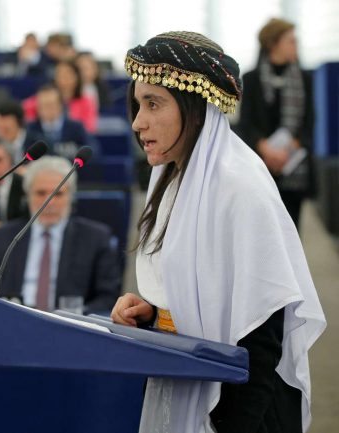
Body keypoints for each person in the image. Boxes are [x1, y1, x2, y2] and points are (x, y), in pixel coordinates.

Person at [110, 31, 325, 433]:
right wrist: (153, 312)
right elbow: (208, 297)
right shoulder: (173, 176)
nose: (138, 122)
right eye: (138, 105)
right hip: (187, 383)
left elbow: (260, 339)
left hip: (241, 411)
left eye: (153, 103)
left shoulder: (240, 188)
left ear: (195, 108)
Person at [0, 156, 120, 314]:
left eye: (58, 194)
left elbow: (108, 297)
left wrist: (77, 315)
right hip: (13, 320)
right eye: (41, 193)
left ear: (71, 197)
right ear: (27, 196)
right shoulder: (3, 238)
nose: (49, 202)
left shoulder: (95, 238)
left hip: (68, 325)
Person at [238, 18, 314, 231]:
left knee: (291, 230)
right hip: (260, 165)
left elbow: (309, 123)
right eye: (291, 41)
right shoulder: (251, 79)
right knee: (261, 231)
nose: (296, 45)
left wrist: (287, 152)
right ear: (273, 44)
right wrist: (266, 150)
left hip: (294, 168)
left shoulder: (305, 78)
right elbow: (245, 123)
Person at [23, 61, 98, 133]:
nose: (63, 77)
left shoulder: (86, 102)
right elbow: (25, 110)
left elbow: (89, 128)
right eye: (59, 73)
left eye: (68, 74)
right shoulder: (44, 98)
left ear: (77, 77)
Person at [26, 84, 93, 157]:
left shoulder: (76, 128)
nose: (47, 109)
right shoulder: (29, 130)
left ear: (60, 105)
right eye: (43, 105)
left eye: (50, 104)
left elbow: (92, 152)